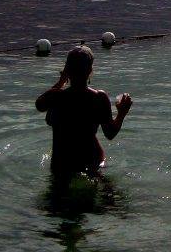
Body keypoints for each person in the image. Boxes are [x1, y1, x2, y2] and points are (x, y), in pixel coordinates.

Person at [35, 45, 133, 177]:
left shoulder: (56, 97)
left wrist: (61, 82)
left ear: (67, 70)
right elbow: (110, 134)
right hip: (91, 161)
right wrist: (121, 113)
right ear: (90, 71)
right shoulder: (99, 98)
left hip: (62, 164)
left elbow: (39, 105)